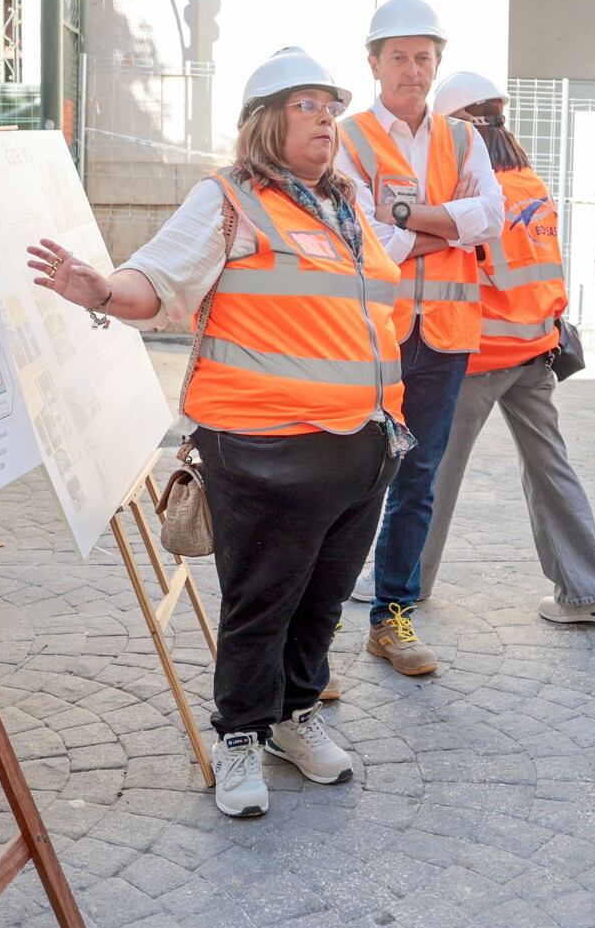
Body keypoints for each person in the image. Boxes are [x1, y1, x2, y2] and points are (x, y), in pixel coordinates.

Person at [30, 47, 410, 820]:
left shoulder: (345, 207)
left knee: (321, 603)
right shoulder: (230, 201)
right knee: (260, 605)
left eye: (331, 108)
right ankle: (238, 736)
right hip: (265, 450)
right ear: (266, 121)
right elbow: (158, 280)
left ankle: (293, 720)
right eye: (308, 105)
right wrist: (103, 289)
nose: (327, 120)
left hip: (362, 447)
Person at [416, 72, 595, 623]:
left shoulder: (472, 192)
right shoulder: (530, 182)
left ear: (459, 128)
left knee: (432, 471)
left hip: (479, 352)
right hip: (536, 348)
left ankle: (405, 584)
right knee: (550, 468)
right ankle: (591, 592)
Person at [337, 0, 505, 677]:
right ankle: (317, 625)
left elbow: (491, 217)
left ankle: (392, 615)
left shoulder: (464, 138)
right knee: (350, 475)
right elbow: (359, 235)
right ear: (375, 63)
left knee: (419, 476)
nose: (413, 69)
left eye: (424, 57)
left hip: (443, 337)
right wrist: (441, 225)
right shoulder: (345, 138)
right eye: (400, 56)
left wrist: (407, 219)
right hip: (368, 335)